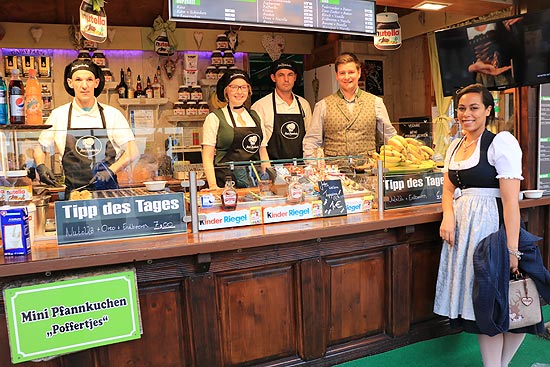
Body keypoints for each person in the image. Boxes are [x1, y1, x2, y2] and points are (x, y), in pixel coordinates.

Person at [434, 83, 531, 367]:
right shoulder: (455, 145)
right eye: (462, 108)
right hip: (464, 234)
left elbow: (511, 203)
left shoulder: (500, 143)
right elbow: (448, 190)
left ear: (488, 110)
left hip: (492, 232)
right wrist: (448, 215)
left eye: (474, 107)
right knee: (480, 306)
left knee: (497, 305)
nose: (466, 114)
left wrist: (513, 251)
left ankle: (498, 365)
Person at [33, 59, 139, 197]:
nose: (84, 85)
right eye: (78, 79)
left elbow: (133, 150)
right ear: (70, 83)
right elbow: (40, 147)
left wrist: (110, 170)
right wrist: (40, 165)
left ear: (96, 82)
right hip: (75, 195)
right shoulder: (59, 115)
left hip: (108, 194)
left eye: (89, 79)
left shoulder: (112, 114)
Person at [302, 52, 396, 162]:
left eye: (351, 72)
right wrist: (313, 168)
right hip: (334, 172)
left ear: (359, 73)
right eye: (342, 73)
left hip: (368, 169)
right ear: (336, 75)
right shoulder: (322, 105)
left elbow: (390, 136)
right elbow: (312, 141)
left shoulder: (376, 102)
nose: (347, 77)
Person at [201, 69, 269, 189]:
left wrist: (269, 180)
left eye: (243, 87)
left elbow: (262, 153)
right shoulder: (214, 118)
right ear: (226, 91)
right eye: (234, 87)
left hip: (254, 182)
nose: (239, 92)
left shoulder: (256, 116)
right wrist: (213, 186)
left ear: (249, 90)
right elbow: (208, 156)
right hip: (226, 183)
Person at [251, 59, 312, 161]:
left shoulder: (303, 104)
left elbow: (310, 138)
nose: (286, 79)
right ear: (273, 78)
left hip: (300, 166)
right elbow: (256, 144)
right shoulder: (260, 106)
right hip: (272, 166)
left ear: (295, 77)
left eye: (290, 75)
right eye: (281, 75)